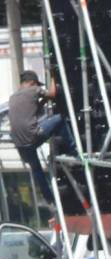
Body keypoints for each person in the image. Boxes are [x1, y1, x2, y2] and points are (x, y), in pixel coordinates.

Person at [9, 70, 76, 206]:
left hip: (21, 145)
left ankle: (50, 200)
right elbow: (52, 93)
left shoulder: (13, 97)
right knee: (60, 119)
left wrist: (44, 101)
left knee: (37, 171)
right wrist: (52, 76)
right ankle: (73, 151)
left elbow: (32, 108)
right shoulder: (34, 89)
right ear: (32, 82)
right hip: (33, 137)